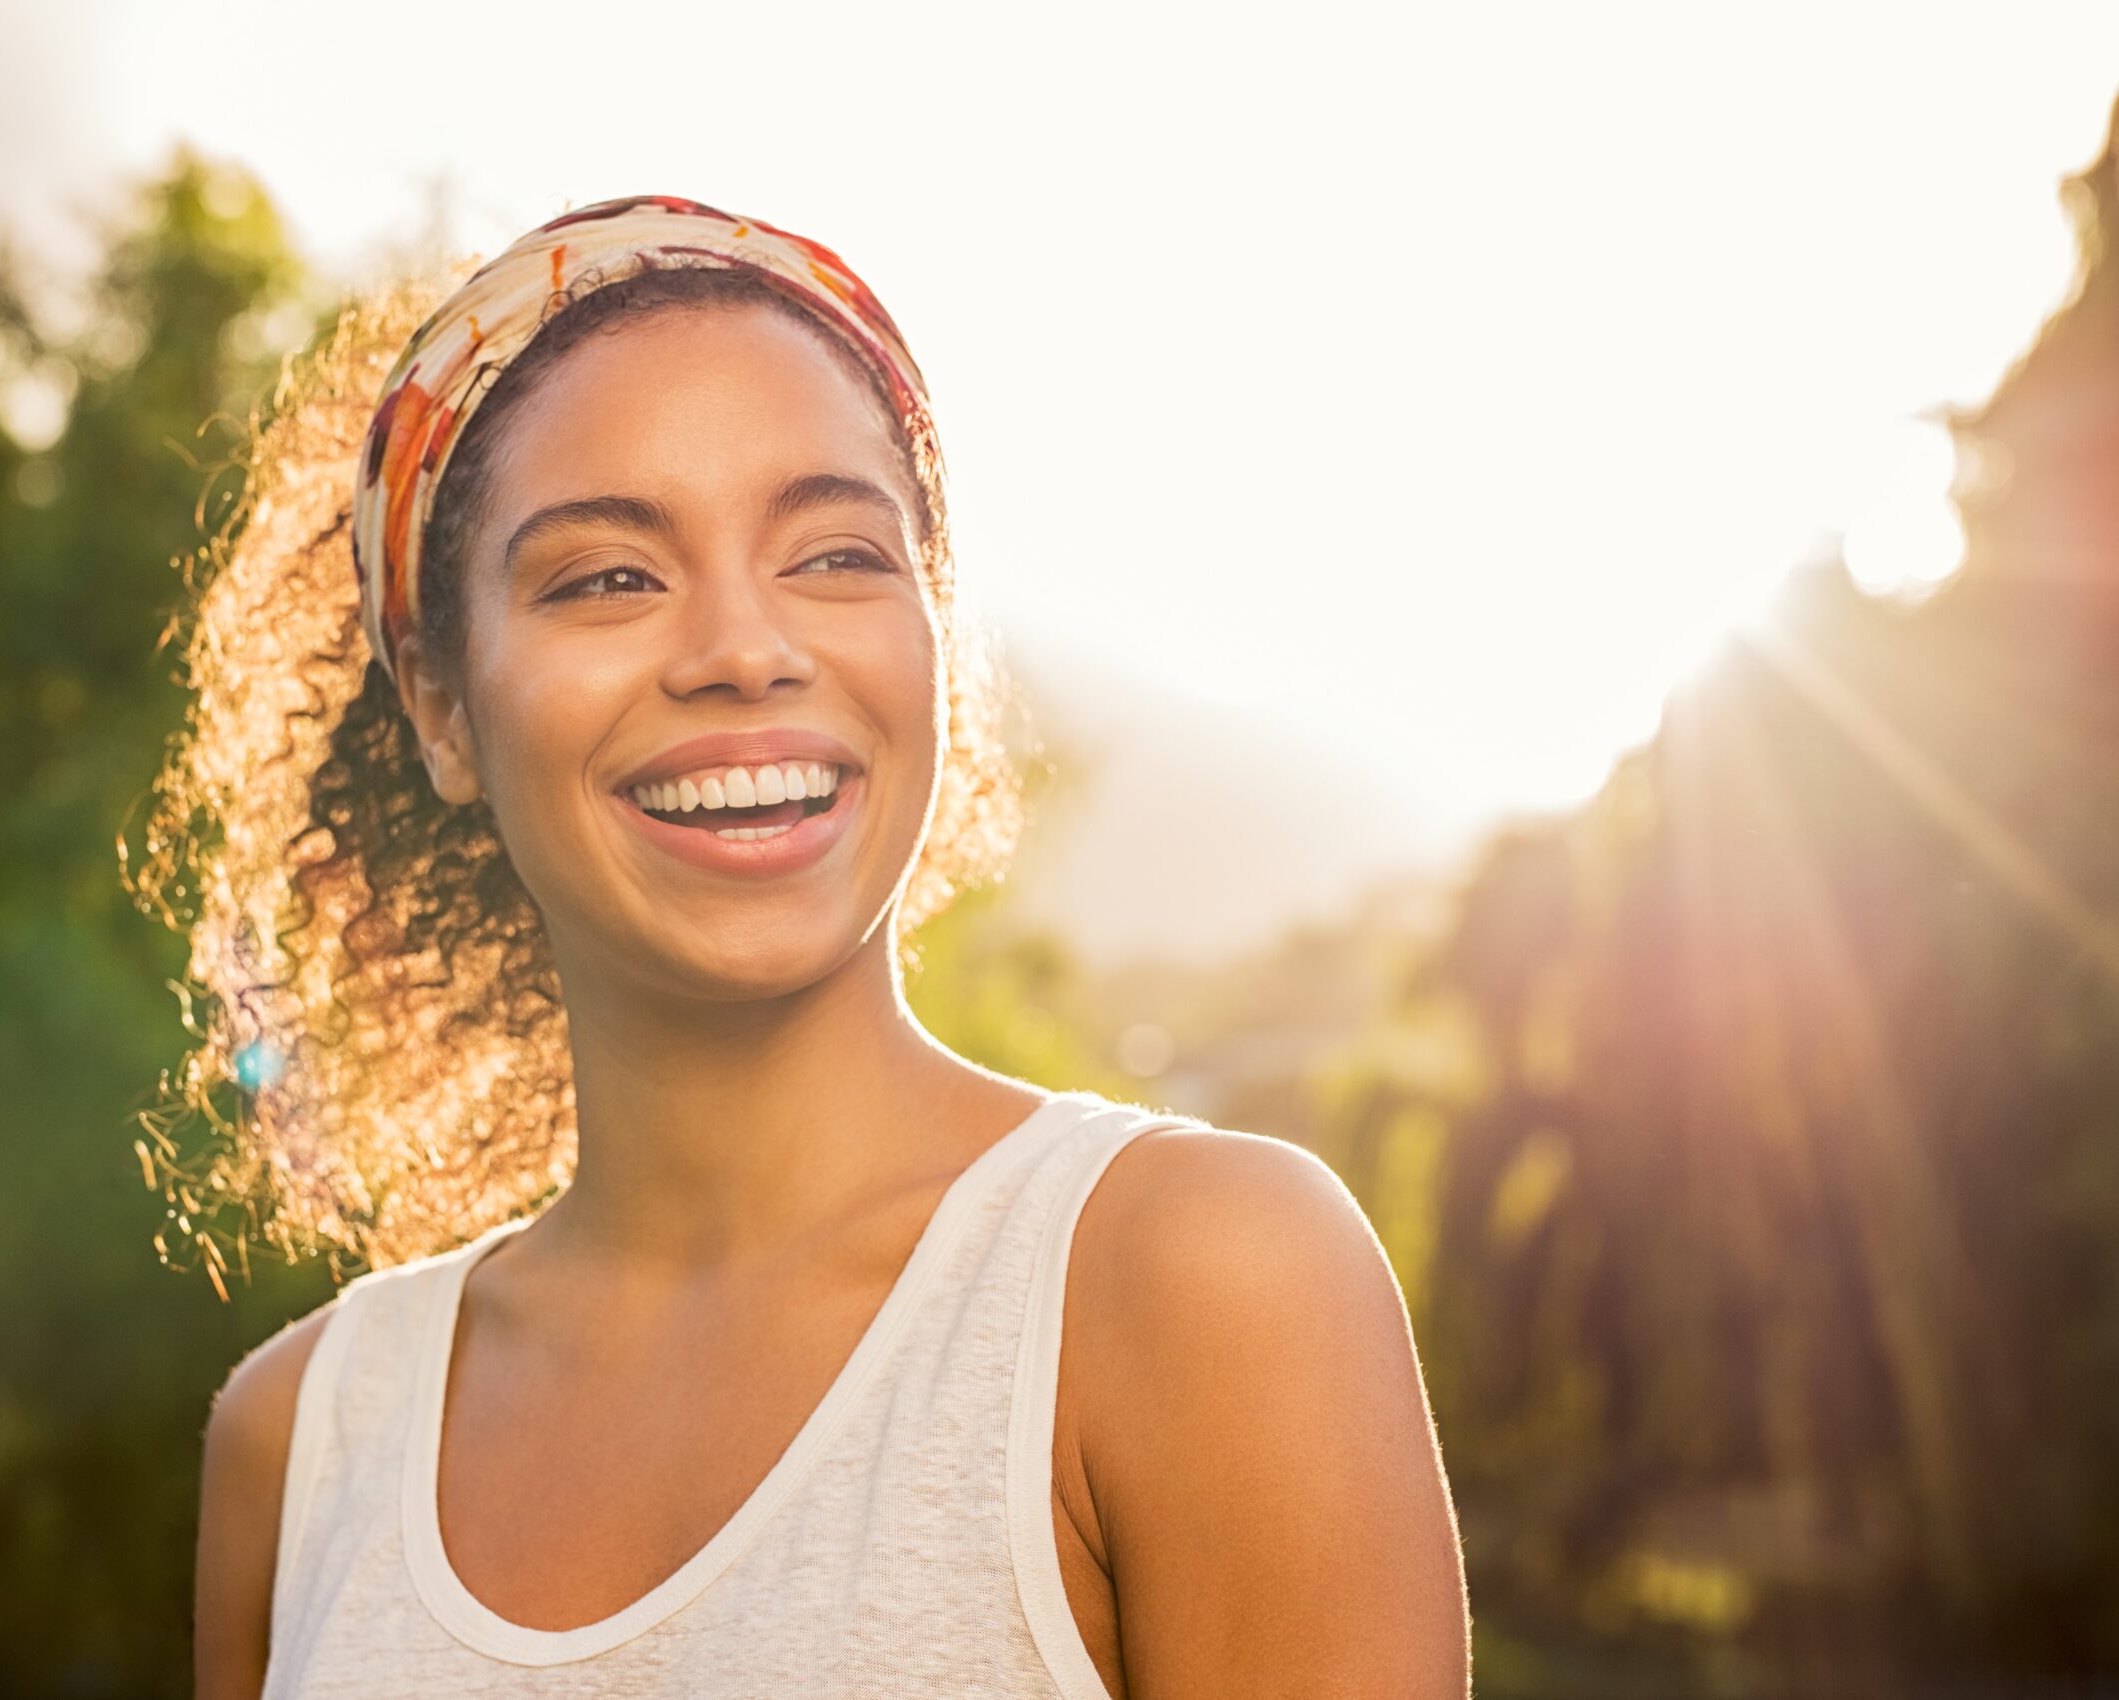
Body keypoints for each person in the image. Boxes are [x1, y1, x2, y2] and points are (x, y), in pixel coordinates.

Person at [166, 195, 1469, 1698]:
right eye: (608, 577)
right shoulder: (301, 1444)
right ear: (444, 705)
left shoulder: (1199, 1283)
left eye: (837, 555)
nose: (744, 649)